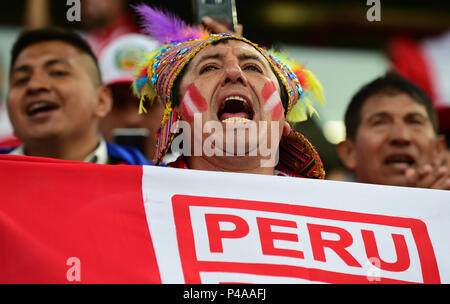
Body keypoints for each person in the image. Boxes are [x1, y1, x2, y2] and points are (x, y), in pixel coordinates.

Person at [132, 5, 325, 177]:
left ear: (283, 121)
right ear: (175, 118)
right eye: (209, 68)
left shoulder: (323, 209)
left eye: (252, 67)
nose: (234, 72)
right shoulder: (137, 200)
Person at [1, 27, 150, 165]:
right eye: (21, 79)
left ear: (101, 101)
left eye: (57, 72)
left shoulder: (158, 185)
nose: (34, 85)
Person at [336, 72, 449, 190]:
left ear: (438, 150)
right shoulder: (321, 206)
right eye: (379, 122)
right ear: (349, 152)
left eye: (415, 121)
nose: (401, 137)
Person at [98, 33, 164, 160]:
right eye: (118, 103)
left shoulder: (194, 174)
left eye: (146, 102)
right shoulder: (74, 175)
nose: (133, 119)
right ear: (97, 105)